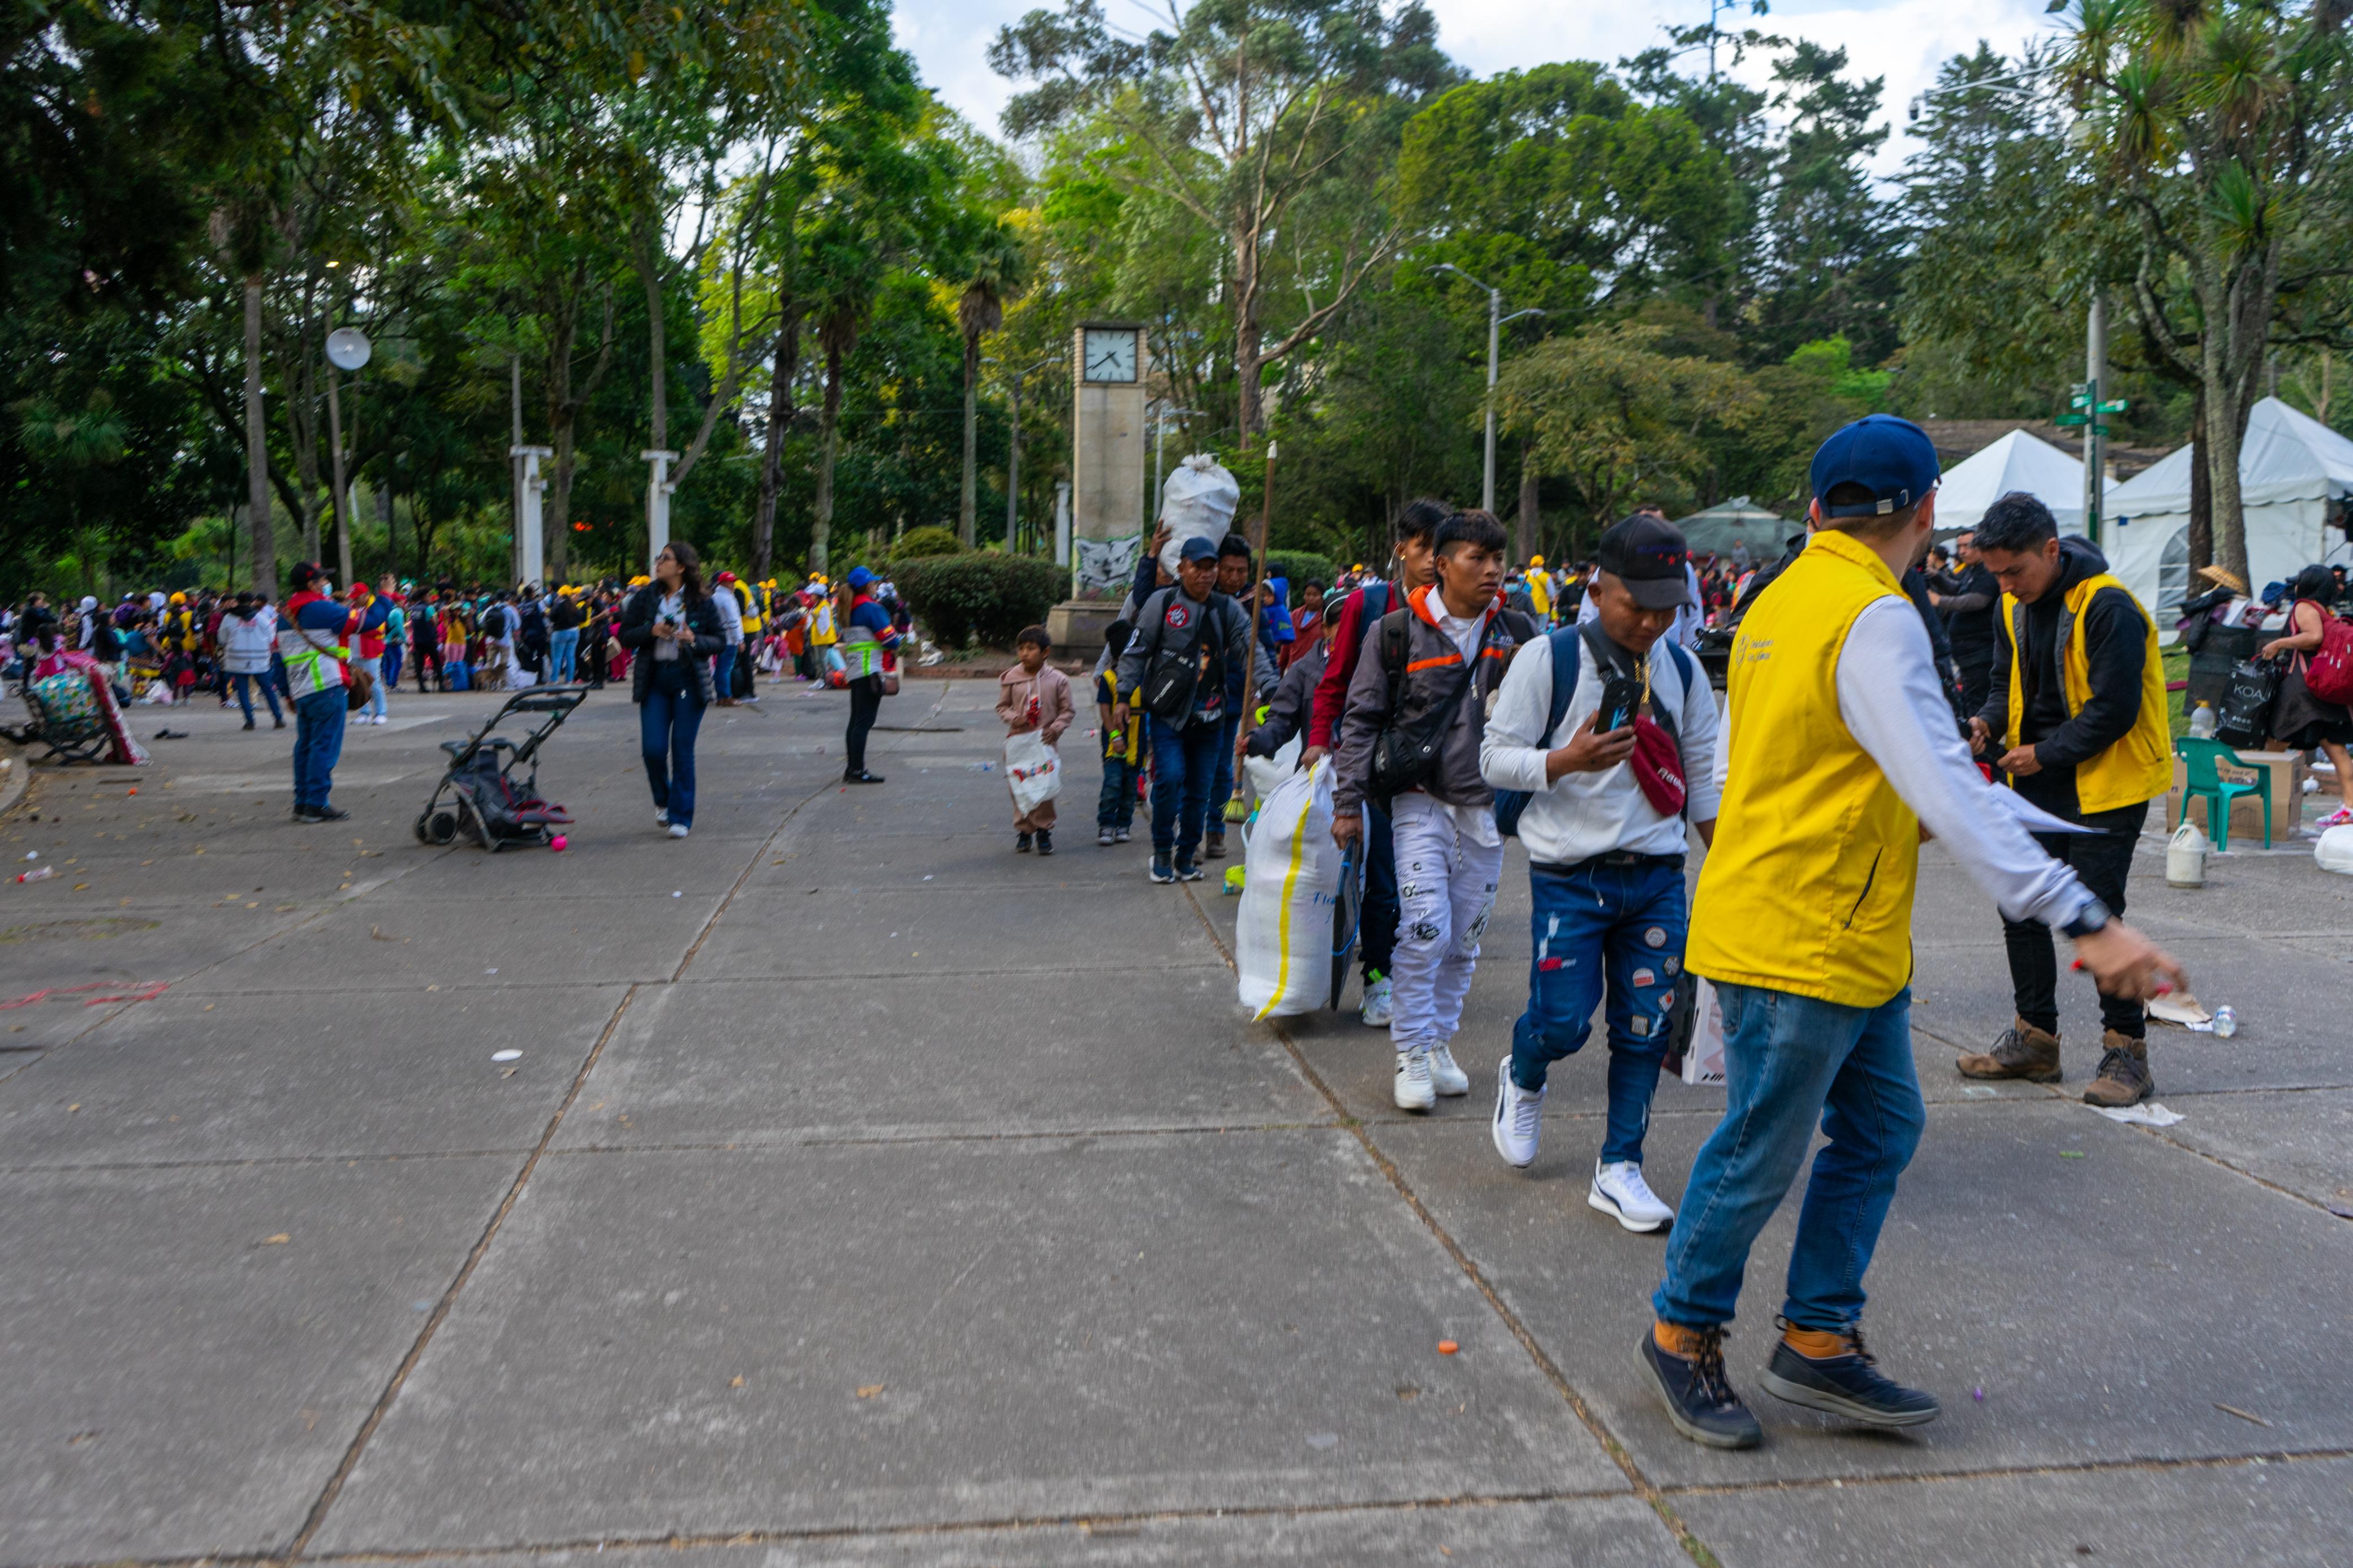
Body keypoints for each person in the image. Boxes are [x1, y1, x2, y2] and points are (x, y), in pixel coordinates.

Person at [1640, 416, 2183, 1451]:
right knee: (1759, 1147)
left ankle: (1818, 1335)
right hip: (1804, 936)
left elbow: (1876, 767)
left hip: (1831, 929)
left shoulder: (1778, 597)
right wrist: (2087, 918)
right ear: (1929, 513)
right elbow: (1946, 785)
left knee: (1883, 1129)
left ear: (1814, 511)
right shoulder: (1875, 617)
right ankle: (1682, 1330)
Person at [1481, 513, 1722, 1232]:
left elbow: (1703, 774)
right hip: (1568, 880)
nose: (1651, 620)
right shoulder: (1546, 661)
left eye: (1666, 606)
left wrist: (1730, 862)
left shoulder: (1680, 671)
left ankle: (1620, 1167)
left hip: (1654, 878)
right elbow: (1494, 759)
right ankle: (1523, 1074)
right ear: (1597, 586)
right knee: (1561, 1023)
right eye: (1635, 603)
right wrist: (1563, 761)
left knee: (1645, 1028)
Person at [1958, 492, 2174, 1107]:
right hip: (2036, 781)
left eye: (2014, 571)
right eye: (1994, 572)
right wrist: (1988, 724)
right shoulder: (2010, 604)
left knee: (2096, 916)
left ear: (2050, 550)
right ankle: (2034, 1040)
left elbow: (2113, 709)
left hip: (2106, 784)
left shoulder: (2108, 607)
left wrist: (2041, 754)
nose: (2003, 584)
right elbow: (2006, 683)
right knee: (2020, 904)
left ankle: (2125, 1052)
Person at [1331, 508, 1522, 1112]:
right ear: (1440, 565)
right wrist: (1347, 805)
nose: (1492, 570)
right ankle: (1410, 1050)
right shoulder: (1395, 632)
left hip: (1486, 813)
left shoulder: (1517, 631)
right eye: (1477, 558)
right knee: (1424, 930)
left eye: (1498, 559)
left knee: (1463, 939)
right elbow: (1359, 721)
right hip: (1418, 804)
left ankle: (1438, 1041)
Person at [1304, 498, 1449, 1028]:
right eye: (1423, 548)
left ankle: (1419, 973)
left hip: (1445, 773)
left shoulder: (1464, 611)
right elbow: (1334, 684)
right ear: (1401, 550)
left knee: (1437, 884)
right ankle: (1379, 978)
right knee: (1387, 879)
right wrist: (1320, 741)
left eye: (1442, 549)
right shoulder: (1369, 607)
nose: (1434, 559)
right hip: (1382, 768)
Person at [1112, 534, 1252, 883]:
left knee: (1200, 791)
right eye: (1198, 568)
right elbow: (1136, 651)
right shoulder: (1163, 603)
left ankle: (1186, 855)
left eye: (1211, 568)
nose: (1206, 575)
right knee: (1170, 778)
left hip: (1211, 718)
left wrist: (1271, 688)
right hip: (1168, 715)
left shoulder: (1227, 609)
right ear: (1182, 568)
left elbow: (1253, 652)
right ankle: (1162, 851)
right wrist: (1123, 696)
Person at [617, 542, 725, 839]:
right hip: (655, 680)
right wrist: (651, 632)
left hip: (688, 680)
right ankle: (663, 800)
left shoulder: (702, 600)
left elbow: (719, 640)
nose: (658, 563)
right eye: (658, 558)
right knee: (652, 750)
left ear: (681, 567)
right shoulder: (646, 597)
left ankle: (681, 817)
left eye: (665, 558)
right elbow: (625, 635)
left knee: (681, 748)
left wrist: (693, 639)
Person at [2259, 564, 2353, 826]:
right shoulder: (2326, 611)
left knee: (2275, 742)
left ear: (2305, 585)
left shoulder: (2304, 607)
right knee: (2336, 749)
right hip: (2322, 685)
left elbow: (2314, 637)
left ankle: (2259, 803)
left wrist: (2279, 643)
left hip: (2302, 689)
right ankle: (2350, 807)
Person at [277, 562, 361, 823]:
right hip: (326, 686)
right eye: (323, 580)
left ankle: (302, 802)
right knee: (323, 748)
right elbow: (368, 622)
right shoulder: (321, 608)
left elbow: (277, 659)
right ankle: (316, 804)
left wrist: (287, 694)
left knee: (306, 747)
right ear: (313, 584)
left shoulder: (284, 614)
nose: (326, 584)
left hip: (301, 690)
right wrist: (384, 596)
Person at [1205, 533, 1270, 861]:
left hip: (1233, 699)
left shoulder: (1257, 602)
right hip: (1196, 698)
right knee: (1195, 768)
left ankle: (1214, 833)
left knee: (1220, 767)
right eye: (1227, 570)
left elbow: (1265, 649)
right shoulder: (1199, 599)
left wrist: (1261, 690)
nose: (1234, 577)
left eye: (1241, 571)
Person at [999, 625, 1075, 854]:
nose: (1024, 653)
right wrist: (1014, 717)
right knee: (1020, 786)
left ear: (1045, 652)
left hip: (1045, 742)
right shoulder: (1011, 678)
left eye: (1031, 648)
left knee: (1044, 787)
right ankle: (1024, 831)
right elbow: (1002, 707)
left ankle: (1044, 830)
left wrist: (1056, 728)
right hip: (1019, 743)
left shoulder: (1058, 680)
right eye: (1021, 648)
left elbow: (1068, 710)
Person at [839, 566, 900, 784]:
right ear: (867, 586)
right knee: (863, 723)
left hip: (856, 671)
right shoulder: (871, 608)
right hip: (870, 671)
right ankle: (857, 771)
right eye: (873, 583)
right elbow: (891, 640)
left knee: (856, 721)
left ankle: (852, 768)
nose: (876, 585)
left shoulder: (848, 608)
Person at [1934, 528, 1999, 720]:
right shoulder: (1971, 570)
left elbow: (1978, 600)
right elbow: (1957, 590)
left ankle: (1981, 746)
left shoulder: (1987, 571)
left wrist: (1939, 601)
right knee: (1971, 703)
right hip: (1968, 654)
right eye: (1959, 547)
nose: (1962, 551)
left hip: (1980, 652)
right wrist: (1936, 576)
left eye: (1967, 546)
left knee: (1977, 708)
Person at [1095, 621, 1142, 846]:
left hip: (1138, 742)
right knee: (1113, 784)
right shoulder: (1108, 679)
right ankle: (1106, 824)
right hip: (1116, 743)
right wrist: (1114, 735)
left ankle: (1124, 824)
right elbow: (1105, 709)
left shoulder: (1144, 677)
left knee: (1131, 788)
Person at [218, 592, 284, 729]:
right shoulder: (262, 618)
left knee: (242, 691)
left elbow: (222, 640)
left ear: (237, 601)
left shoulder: (229, 618)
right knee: (268, 690)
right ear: (253, 601)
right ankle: (278, 719)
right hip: (259, 660)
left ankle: (249, 721)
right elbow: (271, 637)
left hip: (237, 660)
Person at [710, 571, 745, 706]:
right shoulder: (727, 598)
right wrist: (740, 640)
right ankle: (726, 696)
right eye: (731, 582)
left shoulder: (716, 596)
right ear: (724, 583)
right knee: (726, 668)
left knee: (720, 668)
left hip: (720, 637)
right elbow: (733, 621)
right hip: (730, 638)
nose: (733, 584)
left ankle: (721, 695)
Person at [548, 587, 583, 684]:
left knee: (557, 657)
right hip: (574, 632)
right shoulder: (574, 606)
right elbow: (580, 617)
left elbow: (552, 617)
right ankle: (569, 679)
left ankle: (554, 679)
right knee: (570, 657)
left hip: (560, 632)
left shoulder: (559, 605)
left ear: (561, 594)